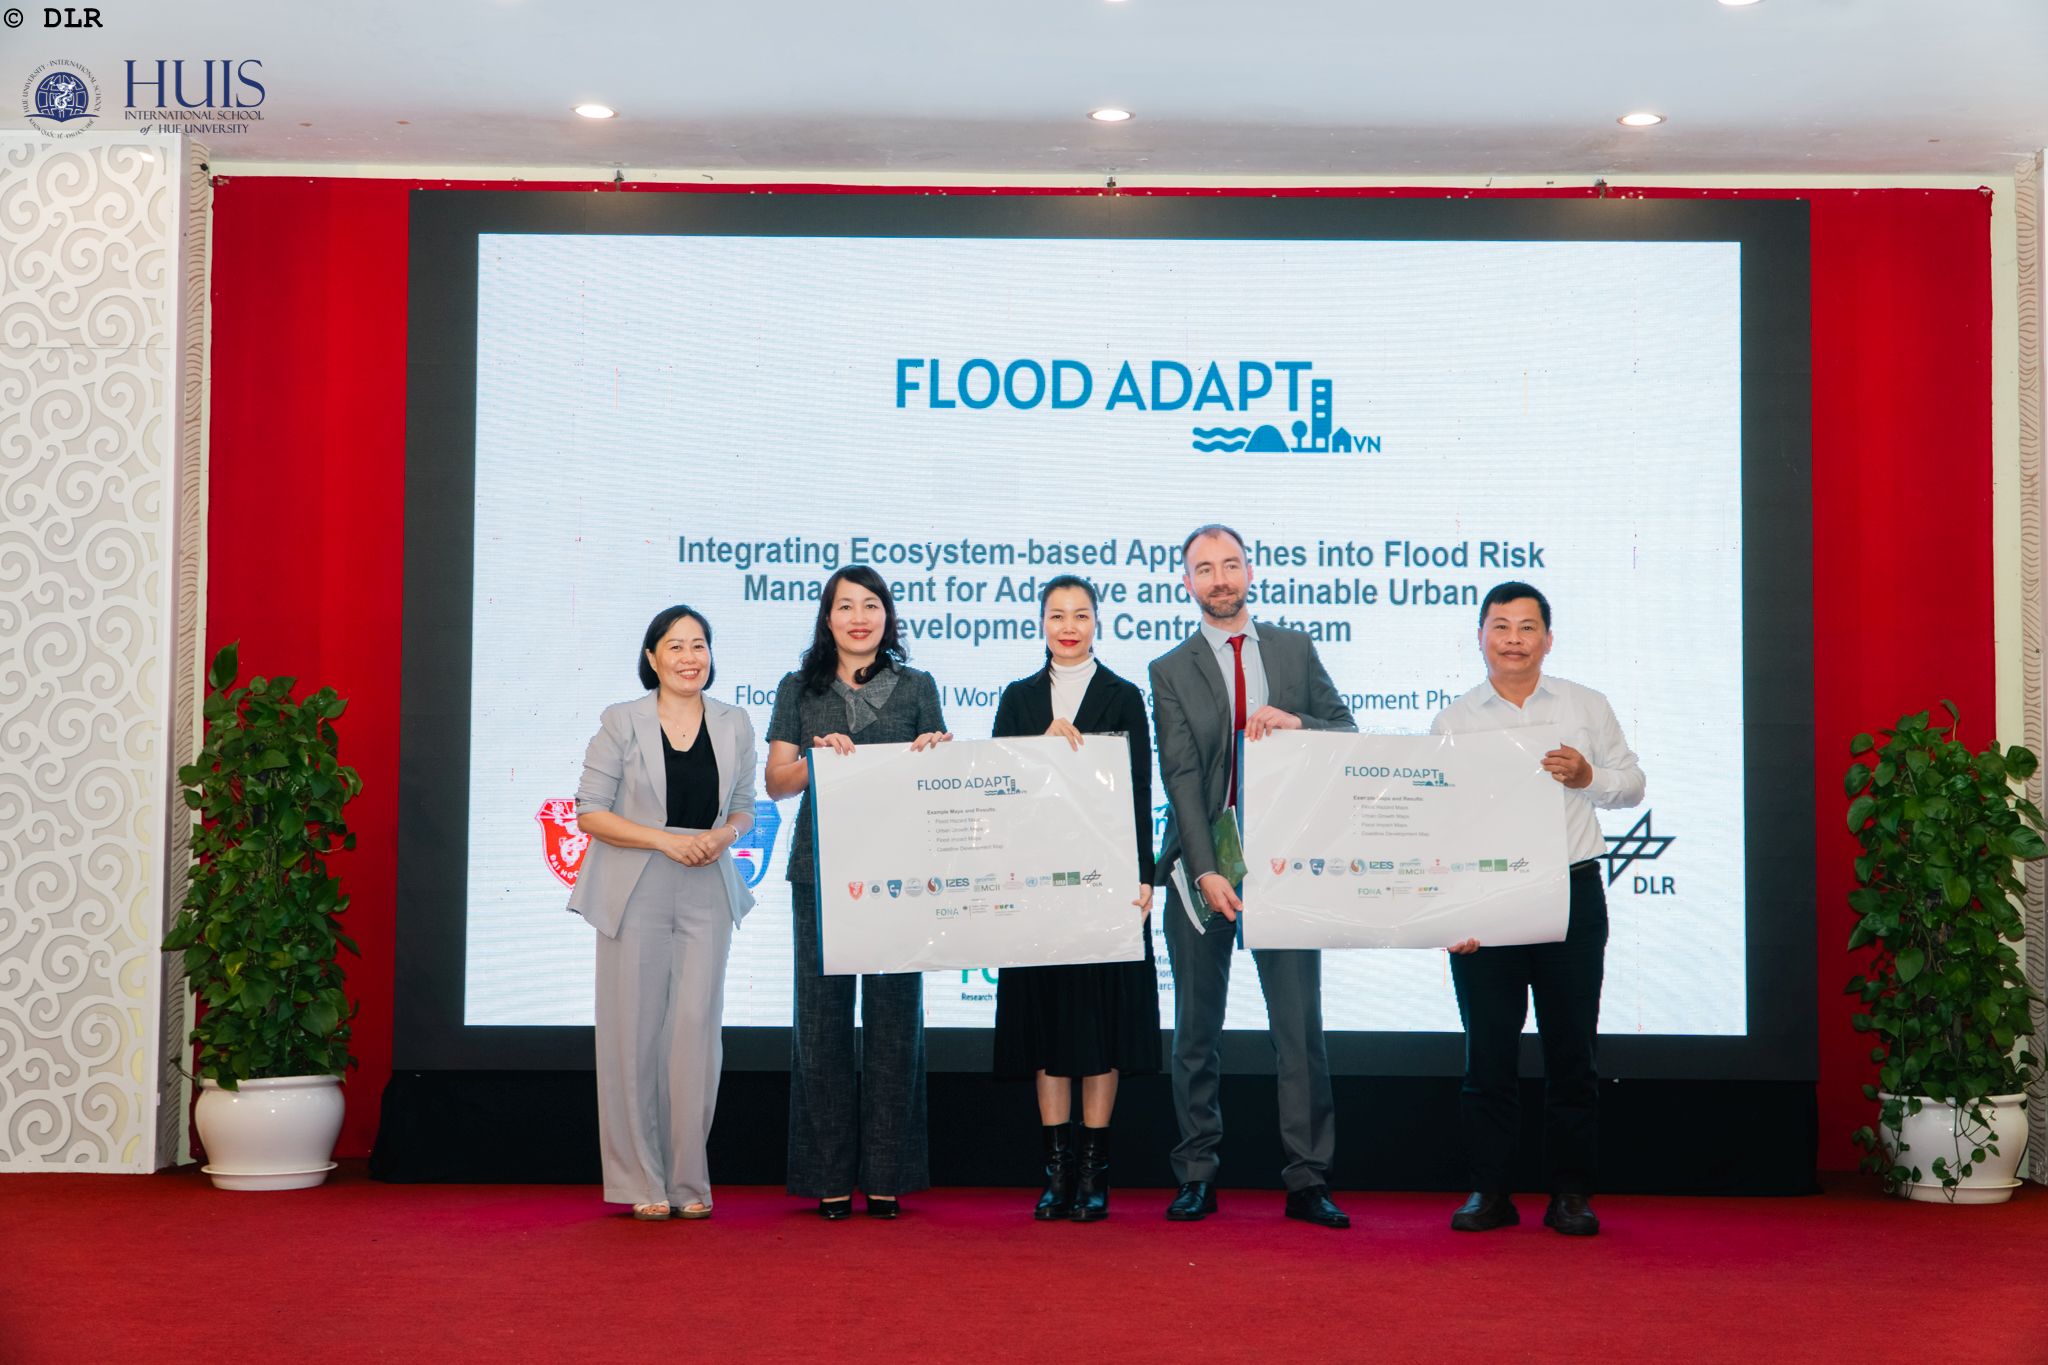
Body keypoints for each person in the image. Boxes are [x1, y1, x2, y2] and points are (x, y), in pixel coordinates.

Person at [1149, 524, 1357, 1229]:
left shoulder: (1294, 649)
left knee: (1299, 1030)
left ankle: (1308, 1179)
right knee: (1195, 1031)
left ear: (1249, 572)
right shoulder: (1169, 669)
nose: (1220, 579)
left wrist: (1297, 722)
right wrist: (1206, 869)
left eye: (1230, 564)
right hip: (1202, 865)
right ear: (1187, 583)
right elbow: (1180, 776)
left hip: (1286, 861)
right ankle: (1197, 1173)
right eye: (1204, 568)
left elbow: (1346, 733)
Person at [1433, 581, 1645, 1237]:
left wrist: (1589, 777)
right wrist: (1449, 912)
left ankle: (1572, 1193)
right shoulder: (1454, 721)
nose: (1514, 639)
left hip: (1572, 890)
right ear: (1480, 637)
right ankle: (1490, 1192)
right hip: (1485, 897)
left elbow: (1632, 783)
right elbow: (1438, 825)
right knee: (1488, 1056)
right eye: (1501, 626)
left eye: (1527, 627)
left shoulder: (1586, 705)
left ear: (1548, 639)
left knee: (1572, 1053)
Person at [763, 565, 951, 1219]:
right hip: (820, 870)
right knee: (821, 1024)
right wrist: (815, 759)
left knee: (896, 1024)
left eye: (871, 605)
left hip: (901, 873)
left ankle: (889, 1175)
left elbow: (940, 769)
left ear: (887, 616)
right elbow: (776, 782)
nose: (859, 617)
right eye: (846, 606)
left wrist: (936, 752)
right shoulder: (798, 687)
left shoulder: (919, 686)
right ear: (828, 618)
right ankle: (829, 1177)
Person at [568, 604, 758, 1221]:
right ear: (652, 658)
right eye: (675, 646)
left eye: (699, 645)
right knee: (632, 1035)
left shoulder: (734, 722)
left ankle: (687, 1180)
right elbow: (590, 812)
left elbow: (745, 806)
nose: (688, 657)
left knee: (696, 1034)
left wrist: (723, 835)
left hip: (708, 880)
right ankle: (640, 1181)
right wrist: (664, 840)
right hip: (635, 883)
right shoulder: (620, 720)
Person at [990, 574, 1160, 1222]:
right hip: (1036, 888)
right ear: (1041, 623)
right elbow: (1000, 787)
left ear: (1097, 623)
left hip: (1106, 884)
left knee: (1100, 1026)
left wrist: (1143, 876)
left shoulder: (1123, 695)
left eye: (1081, 614)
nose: (1069, 626)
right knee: (1048, 1027)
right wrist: (1039, 750)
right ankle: (1056, 1172)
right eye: (1057, 615)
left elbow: (1138, 790)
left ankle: (1094, 1172)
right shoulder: (1018, 698)